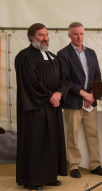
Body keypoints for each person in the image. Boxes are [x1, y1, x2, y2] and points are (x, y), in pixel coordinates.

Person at [15, 23, 70, 190]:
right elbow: (31, 83)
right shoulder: (24, 56)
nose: (45, 38)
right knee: (36, 143)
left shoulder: (53, 56)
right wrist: (49, 96)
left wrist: (59, 94)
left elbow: (64, 79)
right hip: (35, 108)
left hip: (53, 106)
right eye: (41, 35)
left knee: (52, 142)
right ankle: (34, 179)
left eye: (46, 35)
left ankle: (50, 176)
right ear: (32, 37)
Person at [57, 22, 102, 178]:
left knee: (92, 134)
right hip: (73, 102)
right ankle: (73, 166)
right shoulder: (63, 54)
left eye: (81, 33)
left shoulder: (91, 53)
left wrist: (91, 94)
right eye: (75, 34)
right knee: (72, 135)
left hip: (90, 102)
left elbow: (97, 75)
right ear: (69, 35)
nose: (79, 37)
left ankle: (95, 165)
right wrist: (83, 94)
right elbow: (65, 79)